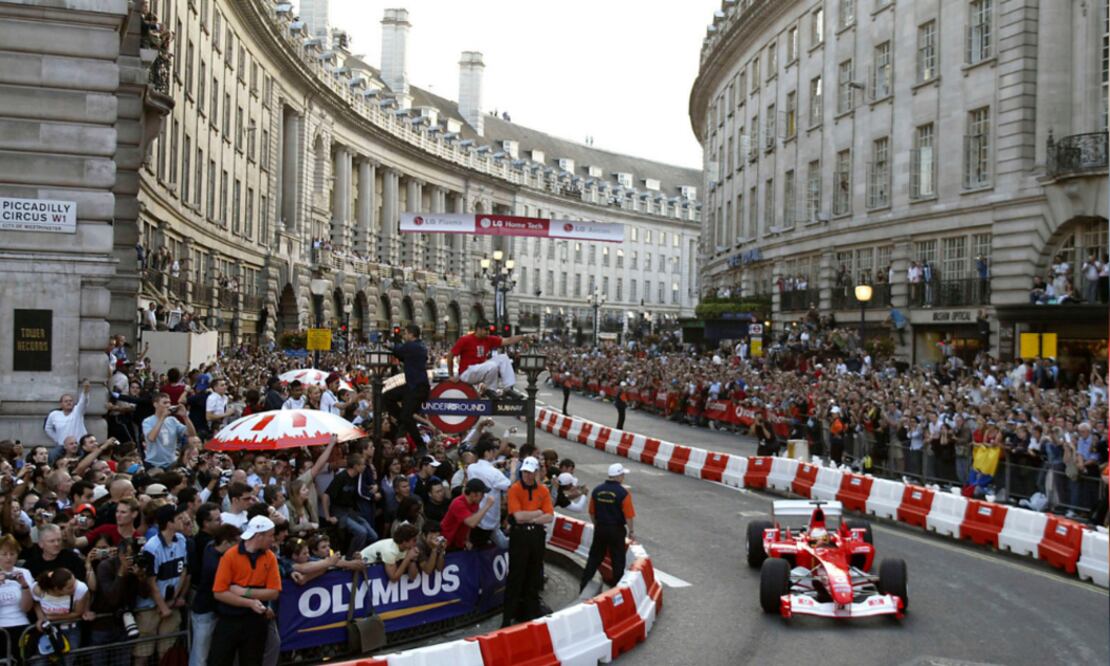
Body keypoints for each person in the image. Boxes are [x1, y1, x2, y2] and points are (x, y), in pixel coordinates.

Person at [208, 516, 281, 666]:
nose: (273, 539)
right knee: (219, 660)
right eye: (270, 535)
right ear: (259, 536)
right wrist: (250, 603)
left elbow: (274, 592)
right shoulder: (230, 555)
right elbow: (219, 592)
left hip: (256, 622)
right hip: (229, 620)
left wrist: (245, 592)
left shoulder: (270, 557)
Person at [501, 456, 553, 627]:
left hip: (536, 535)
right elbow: (518, 516)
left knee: (534, 574)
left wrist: (531, 518)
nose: (527, 476)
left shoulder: (543, 490)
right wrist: (538, 513)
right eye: (525, 472)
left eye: (530, 473)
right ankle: (508, 616)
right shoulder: (515, 489)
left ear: (536, 472)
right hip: (520, 536)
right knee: (516, 576)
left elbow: (549, 516)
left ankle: (530, 611)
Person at [136, 504, 189, 663]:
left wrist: (173, 599)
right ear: (169, 523)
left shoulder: (181, 540)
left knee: (167, 651)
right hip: (150, 607)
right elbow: (151, 582)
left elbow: (183, 571)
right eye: (179, 518)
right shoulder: (152, 547)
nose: (183, 521)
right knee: (143, 651)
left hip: (171, 604)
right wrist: (163, 606)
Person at [579, 463, 635, 593]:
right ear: (618, 476)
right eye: (622, 475)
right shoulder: (623, 493)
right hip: (616, 529)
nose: (623, 477)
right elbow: (629, 515)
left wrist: (597, 525)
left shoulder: (597, 490)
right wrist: (631, 531)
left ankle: (584, 584)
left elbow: (591, 512)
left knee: (594, 557)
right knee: (618, 560)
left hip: (601, 527)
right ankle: (616, 590)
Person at [190, 524, 239, 666]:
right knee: (200, 654)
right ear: (226, 543)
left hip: (215, 610)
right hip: (205, 612)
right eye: (235, 543)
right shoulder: (214, 564)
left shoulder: (210, 547)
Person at [447, 320, 532, 398]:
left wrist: (523, 337)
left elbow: (508, 340)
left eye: (488, 329)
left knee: (503, 358)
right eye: (486, 329)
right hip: (467, 373)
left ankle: (507, 388)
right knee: (492, 365)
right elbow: (450, 356)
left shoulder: (488, 339)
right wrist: (451, 375)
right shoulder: (465, 339)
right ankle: (490, 390)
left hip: (479, 369)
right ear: (478, 329)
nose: (488, 332)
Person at [388, 324, 432, 453]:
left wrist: (391, 343)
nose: (404, 336)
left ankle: (420, 445)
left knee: (407, 416)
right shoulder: (419, 346)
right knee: (388, 396)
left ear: (412, 334)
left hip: (418, 387)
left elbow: (397, 350)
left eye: (406, 333)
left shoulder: (412, 346)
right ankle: (402, 421)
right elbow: (403, 357)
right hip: (411, 385)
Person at [323, 453, 377, 554]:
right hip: (339, 511)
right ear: (356, 466)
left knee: (373, 536)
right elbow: (326, 495)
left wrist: (371, 488)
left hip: (351, 512)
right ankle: (351, 557)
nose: (364, 467)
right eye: (362, 464)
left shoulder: (357, 477)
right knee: (361, 532)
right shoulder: (341, 477)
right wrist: (328, 516)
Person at [465, 440, 513, 549]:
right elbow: (509, 486)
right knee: (502, 547)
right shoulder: (495, 473)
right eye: (492, 451)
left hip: (475, 515)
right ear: (487, 453)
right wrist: (513, 470)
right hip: (489, 519)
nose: (494, 453)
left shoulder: (471, 468)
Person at [440, 479, 495, 550]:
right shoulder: (458, 503)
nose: (483, 497)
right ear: (474, 494)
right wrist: (487, 505)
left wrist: (467, 540)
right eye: (482, 494)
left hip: (459, 542)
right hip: (447, 541)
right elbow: (471, 523)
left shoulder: (475, 504)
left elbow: (468, 525)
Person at [43, 381, 91, 449]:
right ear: (61, 404)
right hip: (62, 446)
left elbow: (83, 402)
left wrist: (85, 392)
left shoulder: (77, 410)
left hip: (78, 446)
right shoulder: (54, 414)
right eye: (66, 401)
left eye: (70, 401)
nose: (69, 403)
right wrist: (57, 438)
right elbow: (48, 428)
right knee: (52, 454)